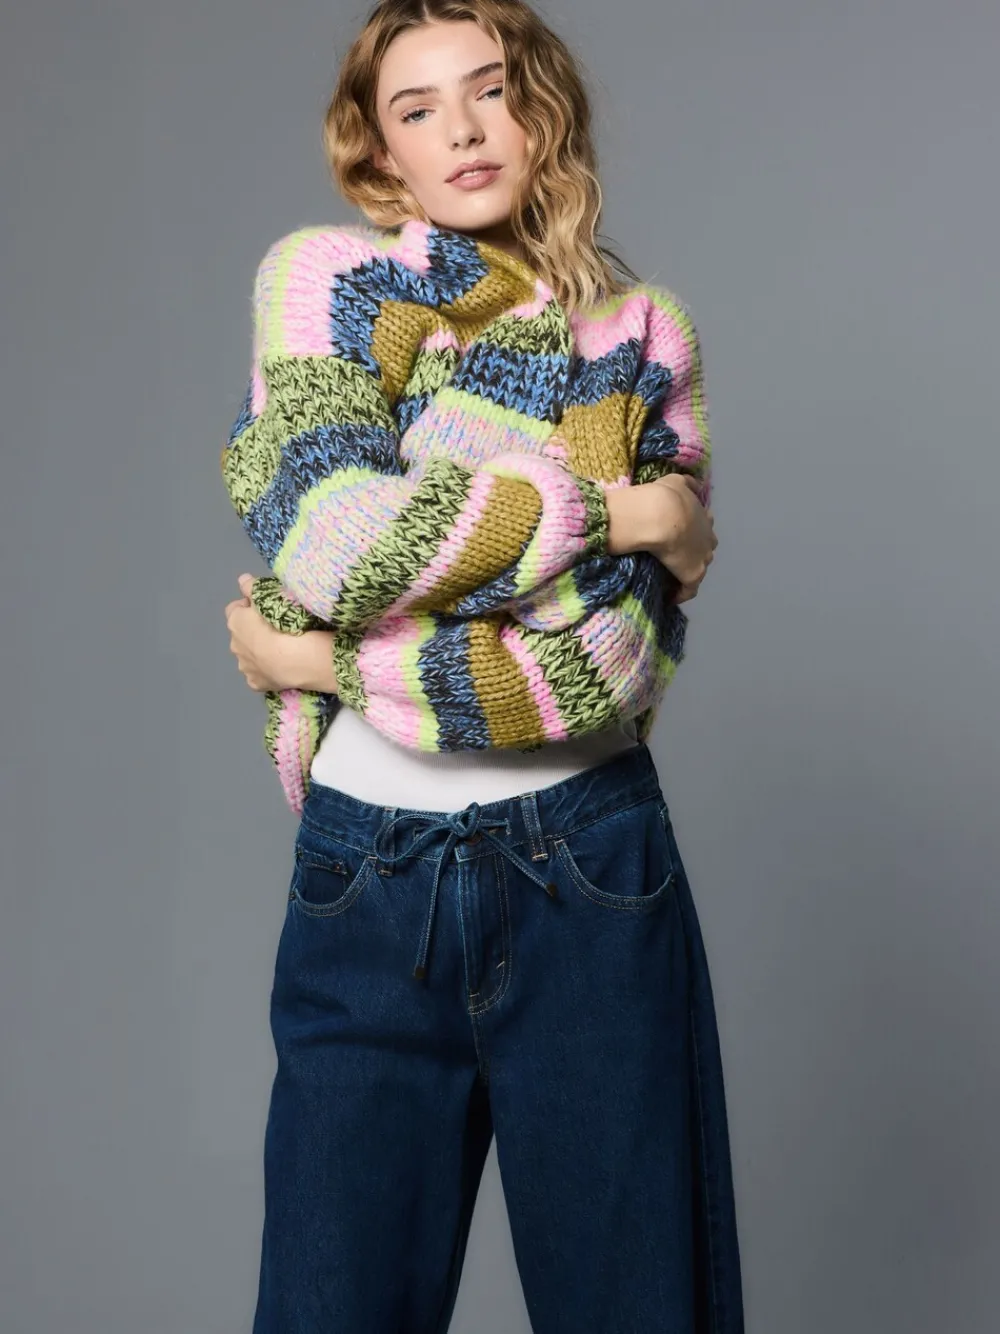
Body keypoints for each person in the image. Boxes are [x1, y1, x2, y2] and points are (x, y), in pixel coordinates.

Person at [221, 2, 743, 1330]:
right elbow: (339, 541)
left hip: (593, 865)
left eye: (490, 89)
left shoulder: (642, 334)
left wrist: (323, 655)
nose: (460, 129)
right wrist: (624, 510)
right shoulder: (328, 284)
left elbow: (608, 657)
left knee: (642, 1306)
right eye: (417, 108)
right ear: (378, 150)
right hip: (368, 877)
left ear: (542, 107)